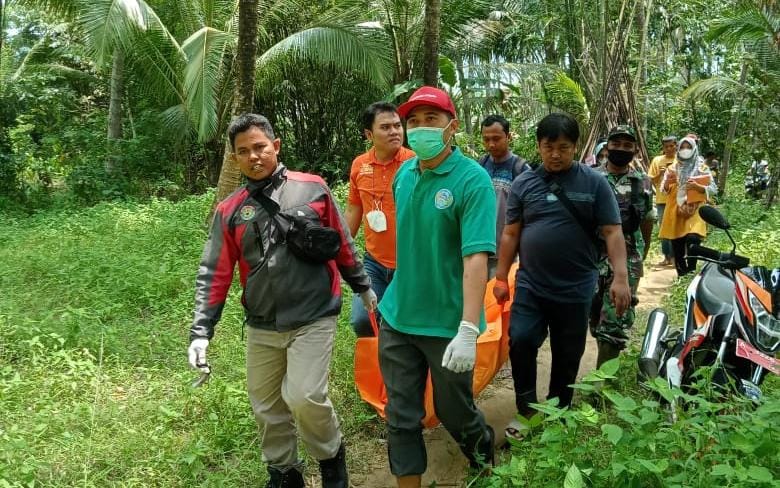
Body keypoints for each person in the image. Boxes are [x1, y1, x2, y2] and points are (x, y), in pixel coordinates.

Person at [187, 114, 377, 488]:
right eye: (243, 152)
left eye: (259, 147)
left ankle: (331, 459)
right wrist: (200, 331)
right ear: (235, 158)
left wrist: (363, 286)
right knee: (266, 406)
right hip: (262, 323)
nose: (253, 157)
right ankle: (284, 473)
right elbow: (215, 272)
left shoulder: (313, 189)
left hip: (314, 315)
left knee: (304, 396)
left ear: (276, 146)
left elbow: (341, 241)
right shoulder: (229, 210)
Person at [377, 86, 497, 487]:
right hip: (398, 316)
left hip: (447, 324)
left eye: (432, 119)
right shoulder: (404, 174)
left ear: (452, 127)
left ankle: (484, 458)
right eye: (414, 121)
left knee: (453, 411)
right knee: (401, 414)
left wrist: (467, 328)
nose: (421, 128)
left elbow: (476, 258)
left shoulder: (472, 181)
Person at [492, 113, 630, 440]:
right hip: (531, 285)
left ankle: (558, 412)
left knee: (568, 354)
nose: (556, 154)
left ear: (576, 147)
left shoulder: (595, 183)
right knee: (522, 340)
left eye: (564, 147)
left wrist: (621, 278)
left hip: (576, 287)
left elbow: (612, 232)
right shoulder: (525, 182)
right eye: (549, 146)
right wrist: (500, 277)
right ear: (538, 146)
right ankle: (527, 412)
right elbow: (511, 234)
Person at [345, 102, 415, 336]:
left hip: (410, 263)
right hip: (373, 263)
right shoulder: (359, 165)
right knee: (363, 321)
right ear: (369, 134)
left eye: (397, 126)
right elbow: (354, 209)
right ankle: (378, 370)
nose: (394, 131)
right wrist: (338, 253)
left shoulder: (415, 163)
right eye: (385, 127)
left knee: (404, 327)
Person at [590, 125, 655, 367]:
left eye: (628, 145)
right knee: (595, 316)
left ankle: (601, 386)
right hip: (593, 256)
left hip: (627, 258)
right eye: (616, 144)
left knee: (615, 321)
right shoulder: (591, 178)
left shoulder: (643, 183)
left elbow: (647, 221)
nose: (621, 149)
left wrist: (642, 254)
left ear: (636, 150)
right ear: (607, 147)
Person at [659, 136, 718, 276]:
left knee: (693, 239)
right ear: (678, 149)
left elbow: (713, 188)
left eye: (689, 147)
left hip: (696, 209)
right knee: (677, 243)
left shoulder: (702, 168)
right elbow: (663, 189)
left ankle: (691, 270)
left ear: (694, 148)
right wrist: (667, 182)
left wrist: (699, 188)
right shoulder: (672, 168)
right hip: (676, 209)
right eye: (683, 147)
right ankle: (681, 274)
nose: (685, 150)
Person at [478, 114, 528, 277]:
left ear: (508, 136)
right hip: (481, 247)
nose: (491, 144)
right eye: (486, 139)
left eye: (496, 138)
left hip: (507, 252)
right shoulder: (480, 165)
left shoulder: (521, 169)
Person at [647, 136, 677, 266]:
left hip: (678, 199)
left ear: (676, 145)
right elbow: (650, 180)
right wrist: (660, 174)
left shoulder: (681, 160)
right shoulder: (657, 160)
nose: (669, 149)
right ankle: (667, 256)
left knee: (677, 228)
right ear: (663, 148)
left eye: (672, 146)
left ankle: (677, 256)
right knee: (664, 229)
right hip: (662, 200)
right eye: (666, 147)